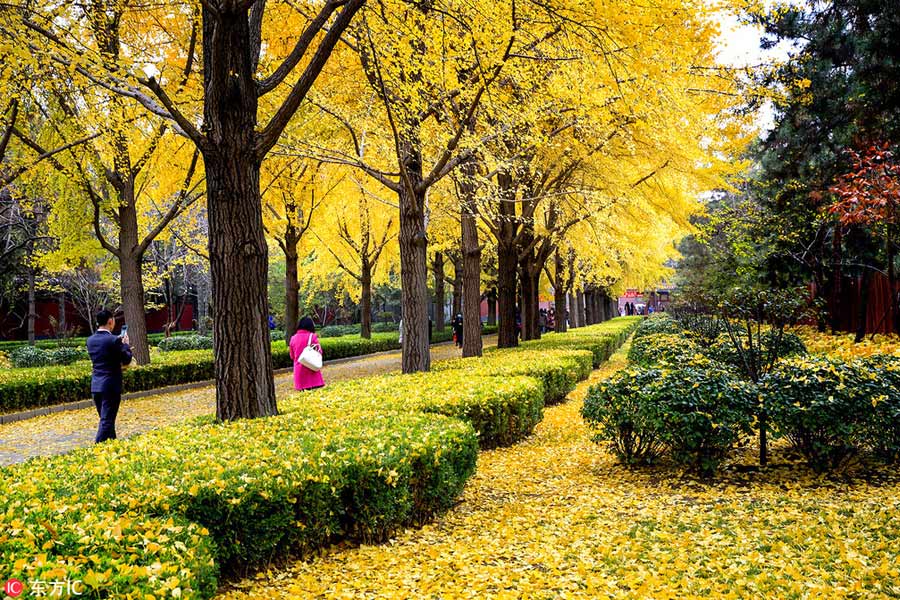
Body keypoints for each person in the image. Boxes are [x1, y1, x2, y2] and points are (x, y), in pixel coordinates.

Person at [86, 309, 133, 443]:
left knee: (106, 419)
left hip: (96, 386)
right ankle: (97, 448)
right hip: (111, 386)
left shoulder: (90, 340)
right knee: (106, 421)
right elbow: (126, 359)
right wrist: (126, 345)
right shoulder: (114, 341)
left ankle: (112, 445)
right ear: (110, 321)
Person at [289, 316, 325, 391]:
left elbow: (292, 356)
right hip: (312, 370)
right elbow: (319, 352)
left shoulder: (293, 338)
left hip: (299, 373)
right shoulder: (312, 337)